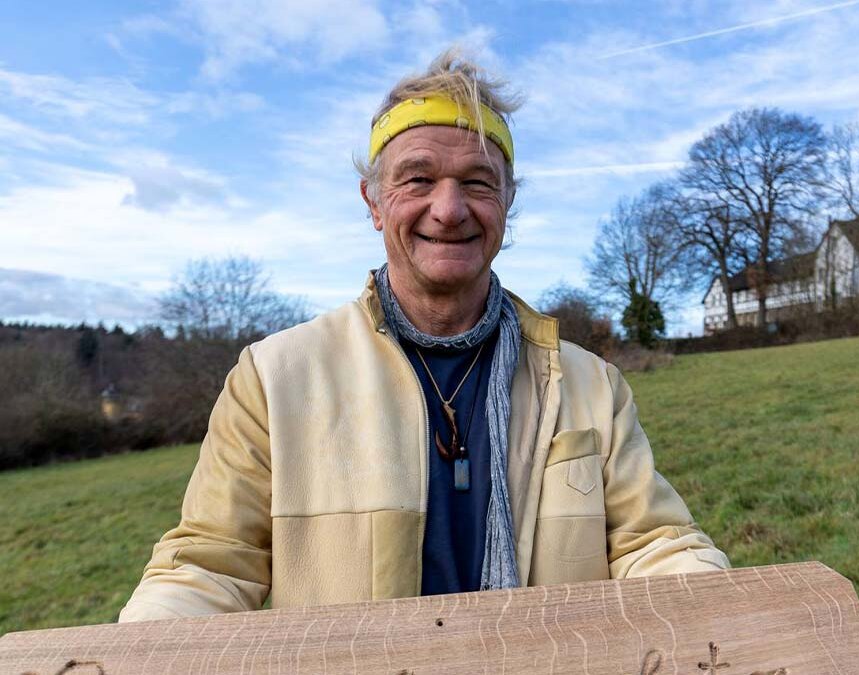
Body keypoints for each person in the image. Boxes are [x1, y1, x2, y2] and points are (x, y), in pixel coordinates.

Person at [119, 50, 729, 622]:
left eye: (478, 182)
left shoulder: (591, 384)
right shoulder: (273, 379)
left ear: (507, 202)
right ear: (374, 201)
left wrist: (721, 617)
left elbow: (655, 544)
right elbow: (209, 567)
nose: (449, 208)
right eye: (417, 180)